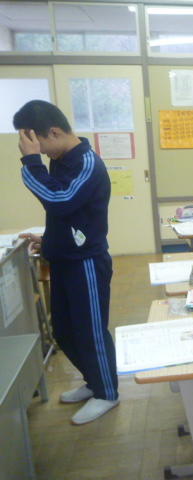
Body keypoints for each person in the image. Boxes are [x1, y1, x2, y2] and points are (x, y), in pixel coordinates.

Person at [13, 100, 119, 424]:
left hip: (86, 262)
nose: (39, 151)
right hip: (64, 258)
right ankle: (94, 381)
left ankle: (107, 392)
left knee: (90, 332)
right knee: (65, 331)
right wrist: (49, 240)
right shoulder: (59, 160)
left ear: (54, 132)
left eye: (38, 143)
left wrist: (30, 162)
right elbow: (68, 214)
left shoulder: (87, 162)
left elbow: (59, 201)